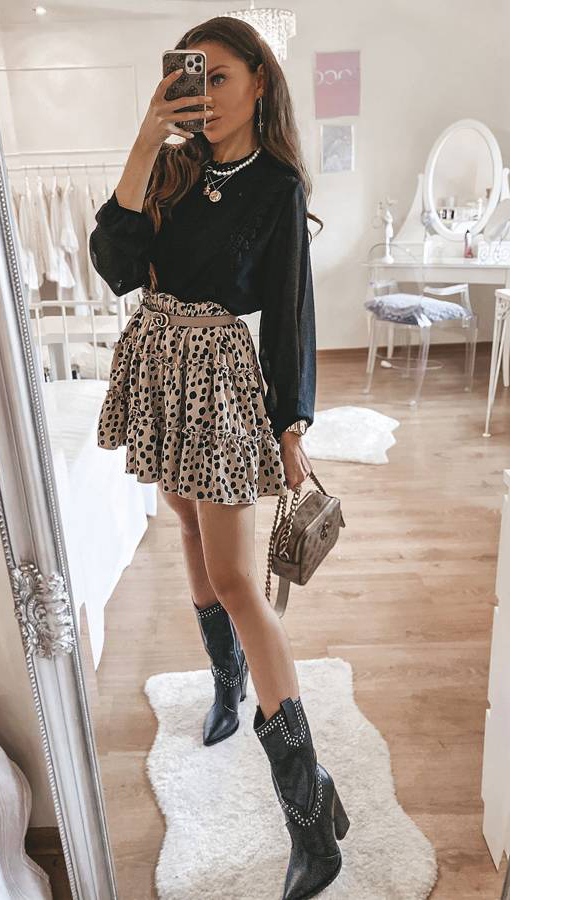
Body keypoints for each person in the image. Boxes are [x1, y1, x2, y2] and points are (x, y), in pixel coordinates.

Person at [89, 17, 349, 898]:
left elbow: (290, 308)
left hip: (221, 379)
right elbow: (116, 264)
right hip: (159, 364)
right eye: (190, 78)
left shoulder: (276, 186)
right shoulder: (168, 166)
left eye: (220, 76)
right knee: (189, 534)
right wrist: (145, 137)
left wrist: (291, 427)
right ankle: (228, 685)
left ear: (260, 82)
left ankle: (310, 810)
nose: (203, 94)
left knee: (238, 579)